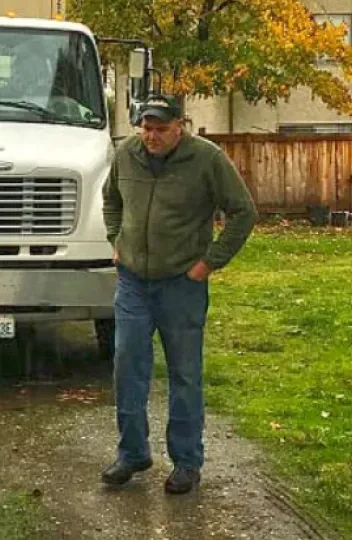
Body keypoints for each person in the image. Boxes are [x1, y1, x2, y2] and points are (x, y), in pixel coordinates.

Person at [101, 93, 257, 495]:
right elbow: (110, 199)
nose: (151, 136)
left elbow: (243, 211)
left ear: (180, 126)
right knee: (127, 365)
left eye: (160, 129)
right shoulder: (127, 154)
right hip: (133, 280)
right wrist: (115, 242)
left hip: (182, 283)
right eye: (146, 128)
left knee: (184, 374)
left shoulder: (206, 159)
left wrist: (208, 264)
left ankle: (187, 462)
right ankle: (132, 452)